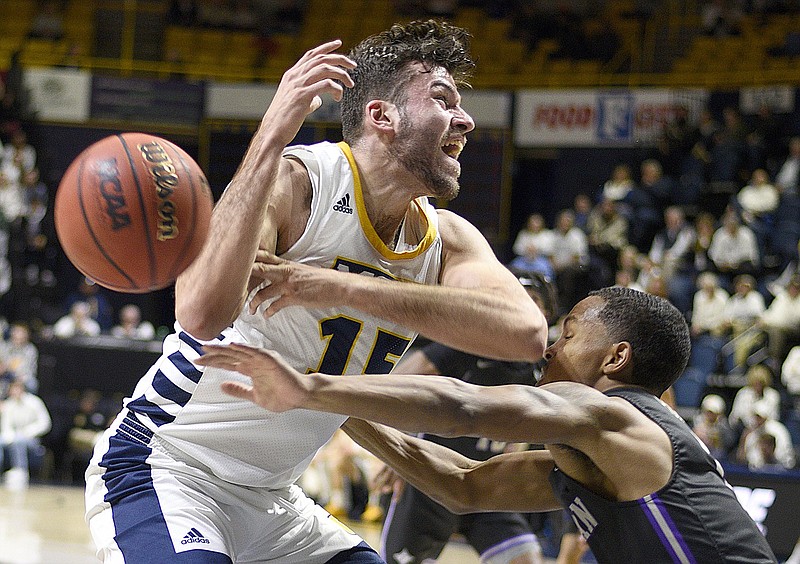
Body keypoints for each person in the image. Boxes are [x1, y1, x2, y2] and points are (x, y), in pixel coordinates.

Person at [85, 21, 548, 564]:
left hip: (275, 502)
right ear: (382, 116)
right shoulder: (298, 183)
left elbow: (525, 333)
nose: (466, 120)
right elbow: (199, 315)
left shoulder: (446, 239)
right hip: (166, 466)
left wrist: (332, 286)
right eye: (443, 99)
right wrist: (272, 135)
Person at [200, 286, 778, 563]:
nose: (551, 348)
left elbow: (462, 408)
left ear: (616, 359)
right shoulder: (597, 453)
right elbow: (465, 484)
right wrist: (337, 405)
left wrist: (313, 386)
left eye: (570, 333)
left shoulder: (616, 416)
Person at [0, 378, 51, 490]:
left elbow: (45, 423)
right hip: (12, 437)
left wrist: (27, 432)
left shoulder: (34, 402)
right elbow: (6, 426)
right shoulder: (9, 404)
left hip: (31, 439)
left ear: (22, 389)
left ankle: (21, 471)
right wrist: (10, 436)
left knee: (19, 441)